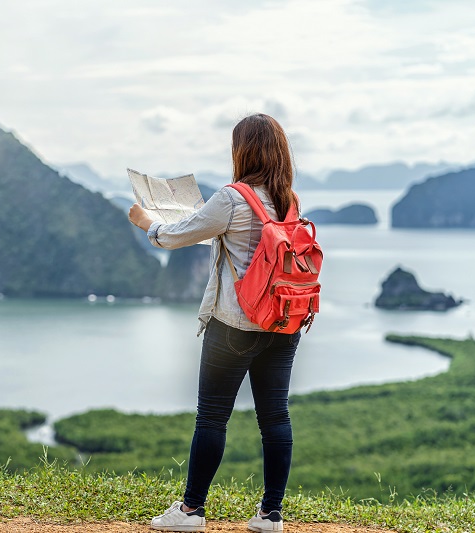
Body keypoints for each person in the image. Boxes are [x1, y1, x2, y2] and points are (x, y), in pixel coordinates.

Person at [128, 113, 302, 533]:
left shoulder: (232, 197)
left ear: (241, 151)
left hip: (235, 324)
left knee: (211, 418)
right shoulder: (290, 201)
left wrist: (146, 223)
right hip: (282, 324)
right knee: (275, 418)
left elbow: (175, 235)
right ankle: (271, 515)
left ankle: (190, 512)